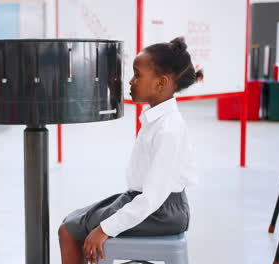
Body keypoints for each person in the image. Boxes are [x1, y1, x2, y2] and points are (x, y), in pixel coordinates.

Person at [58, 37, 202, 264]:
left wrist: (105, 228)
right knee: (71, 222)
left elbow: (152, 198)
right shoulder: (158, 119)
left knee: (68, 231)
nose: (131, 81)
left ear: (160, 83)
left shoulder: (169, 130)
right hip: (146, 202)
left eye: (137, 75)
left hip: (161, 212)